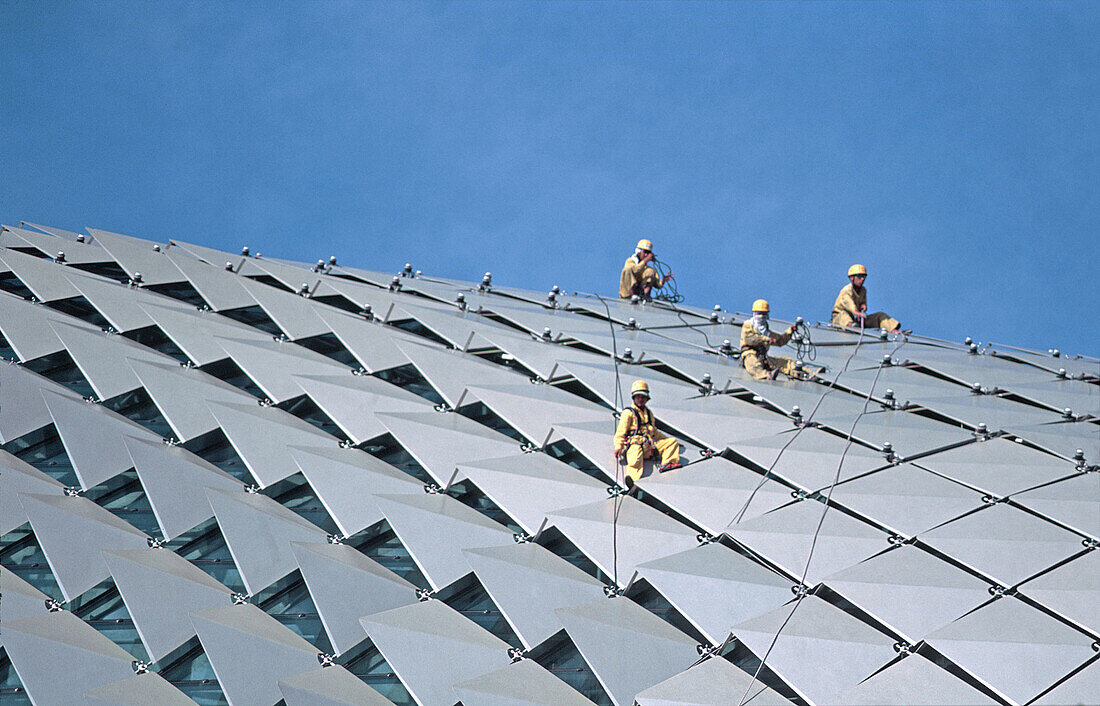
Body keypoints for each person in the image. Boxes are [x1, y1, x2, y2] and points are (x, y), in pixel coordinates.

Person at [613, 380, 680, 487]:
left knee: (672, 442)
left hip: (649, 447)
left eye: (643, 397)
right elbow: (621, 432)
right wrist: (618, 446)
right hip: (635, 445)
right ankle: (634, 481)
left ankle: (668, 464)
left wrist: (667, 440)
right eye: (638, 397)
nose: (640, 399)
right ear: (634, 398)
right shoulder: (628, 413)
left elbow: (655, 432)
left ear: (646, 398)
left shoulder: (649, 413)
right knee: (635, 459)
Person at [740, 299, 809, 381]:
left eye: (764, 314)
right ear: (754, 313)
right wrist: (766, 339)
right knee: (752, 364)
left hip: (764, 358)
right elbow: (749, 339)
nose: (761, 316)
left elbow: (780, 341)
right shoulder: (748, 324)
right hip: (750, 354)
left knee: (786, 362)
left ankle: (809, 373)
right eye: (759, 313)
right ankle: (765, 376)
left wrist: (790, 331)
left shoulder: (766, 331)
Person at [831, 264, 901, 332]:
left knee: (880, 315)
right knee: (843, 315)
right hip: (840, 320)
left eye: (864, 277)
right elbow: (848, 303)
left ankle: (894, 330)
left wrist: (864, 305)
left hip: (855, 320)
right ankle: (851, 327)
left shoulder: (863, 290)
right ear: (851, 278)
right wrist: (856, 312)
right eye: (859, 277)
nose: (862, 279)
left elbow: (863, 302)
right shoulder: (846, 290)